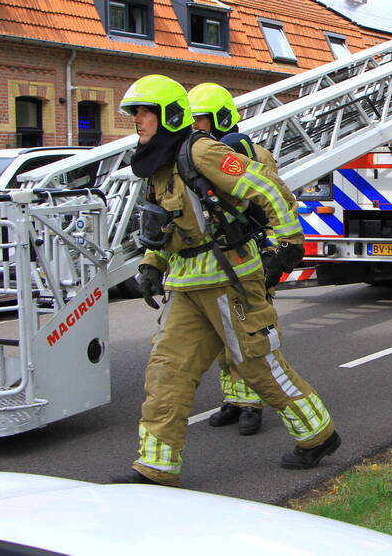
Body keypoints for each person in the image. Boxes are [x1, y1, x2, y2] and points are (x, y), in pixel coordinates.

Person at [112, 74, 339, 486]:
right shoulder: (157, 168)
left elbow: (266, 188)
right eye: (134, 114)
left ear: (169, 115)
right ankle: (155, 467)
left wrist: (288, 241)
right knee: (166, 372)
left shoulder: (202, 152)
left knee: (258, 365)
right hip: (184, 287)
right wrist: (152, 264)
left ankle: (318, 434)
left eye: (144, 113)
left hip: (229, 278)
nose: (137, 121)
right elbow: (163, 225)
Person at [186, 83, 306, 436]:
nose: (195, 128)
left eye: (202, 121)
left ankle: (254, 402)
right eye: (192, 121)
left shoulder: (252, 154)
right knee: (225, 335)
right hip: (217, 257)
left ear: (221, 120)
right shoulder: (191, 156)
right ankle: (235, 399)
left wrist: (276, 252)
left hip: (250, 253)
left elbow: (278, 200)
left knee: (252, 333)